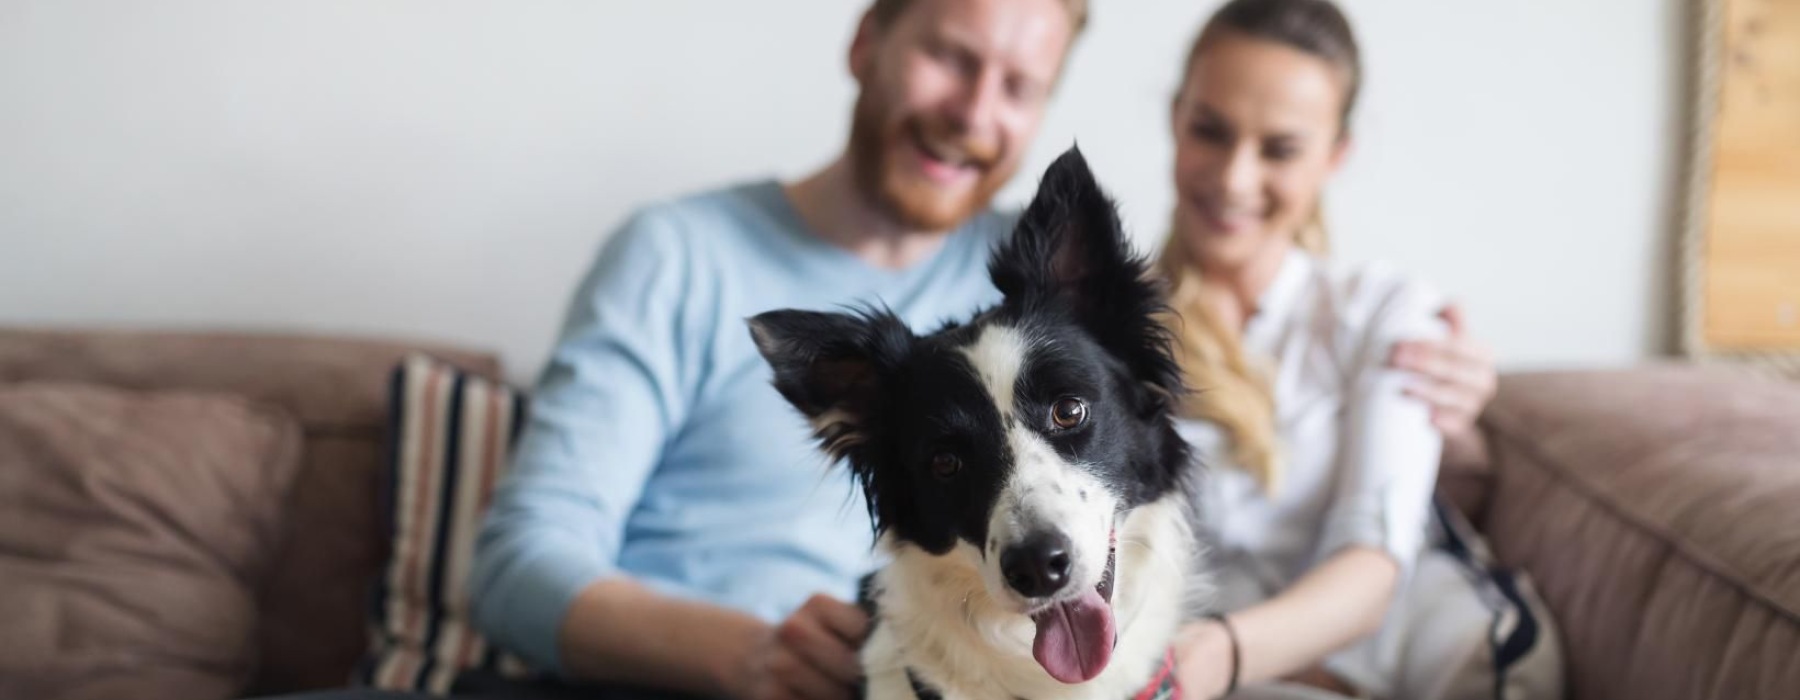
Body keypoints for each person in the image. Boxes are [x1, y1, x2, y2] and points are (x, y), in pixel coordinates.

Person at [467, 1, 1501, 699]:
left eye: (1018, 84)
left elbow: (1172, 386)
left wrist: (1460, 420)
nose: (974, 110)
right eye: (951, 55)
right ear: (868, 36)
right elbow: (514, 566)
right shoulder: (677, 253)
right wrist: (744, 653)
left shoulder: (1033, 296)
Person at [1153, 1, 1555, 699]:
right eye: (1210, 132)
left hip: (1366, 656)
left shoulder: (1384, 313)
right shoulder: (1098, 326)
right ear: (1175, 118)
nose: (1234, 178)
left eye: (1279, 149)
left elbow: (1371, 565)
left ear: (1336, 154)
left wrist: (1222, 650)